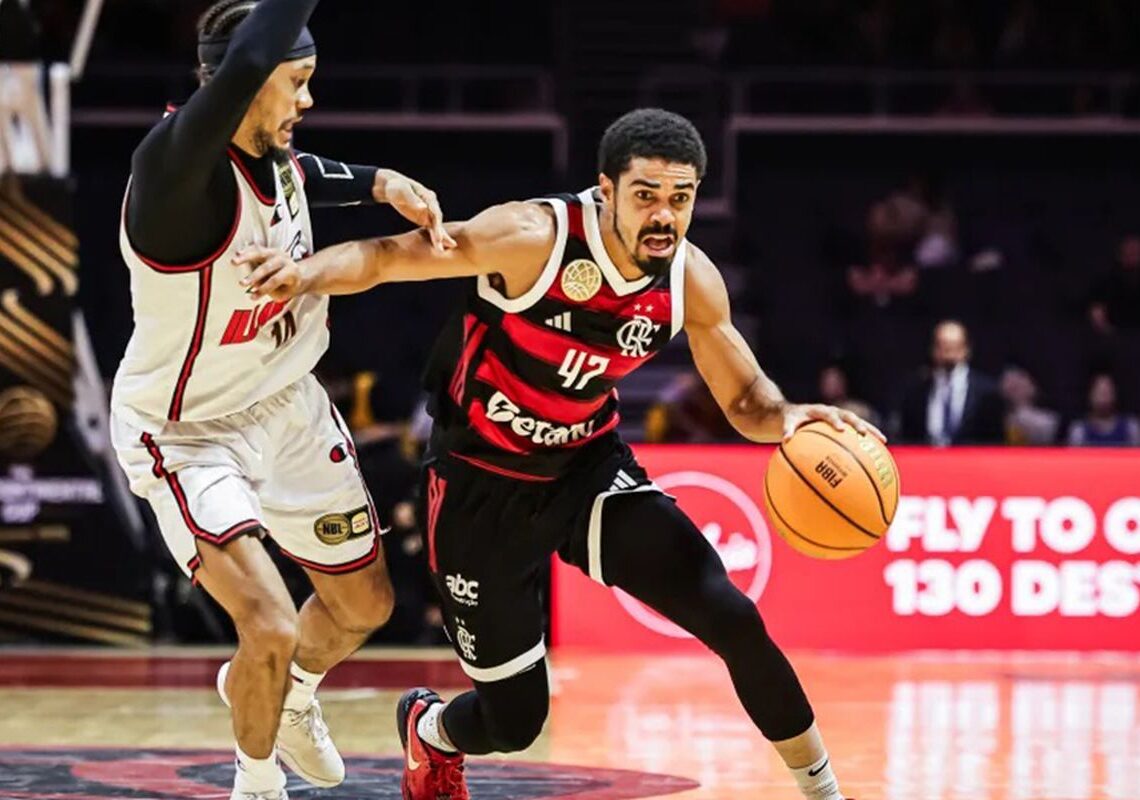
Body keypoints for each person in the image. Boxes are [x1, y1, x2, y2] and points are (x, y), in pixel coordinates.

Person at [237, 108, 877, 800]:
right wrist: (302, 274)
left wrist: (788, 417)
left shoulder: (689, 277)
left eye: (680, 198)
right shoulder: (534, 237)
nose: (665, 215)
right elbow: (392, 257)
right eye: (646, 196)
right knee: (516, 721)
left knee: (731, 614)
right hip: (480, 484)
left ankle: (824, 791)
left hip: (585, 471)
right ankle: (432, 731)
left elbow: (747, 400)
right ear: (606, 189)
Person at [107, 2, 454, 798]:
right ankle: (257, 782)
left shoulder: (274, 158)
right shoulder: (171, 172)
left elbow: (304, 179)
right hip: (187, 431)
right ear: (244, 81)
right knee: (266, 621)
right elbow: (245, 72)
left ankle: (287, 695)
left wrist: (379, 182)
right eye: (294, 83)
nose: (306, 100)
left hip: (288, 407)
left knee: (363, 604)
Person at [893, 319, 1005, 446]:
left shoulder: (986, 392)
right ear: (933, 348)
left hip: (971, 460)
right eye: (943, 345)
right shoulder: (916, 390)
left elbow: (995, 440)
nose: (948, 352)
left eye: (955, 345)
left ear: (966, 349)